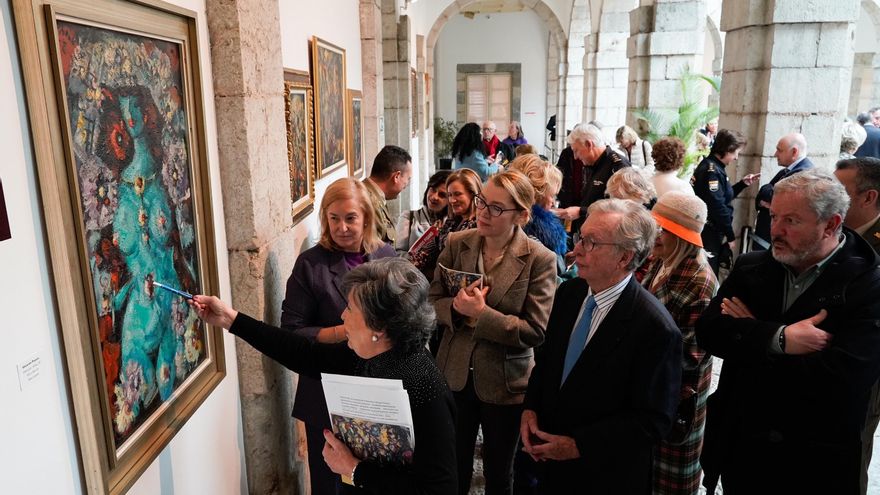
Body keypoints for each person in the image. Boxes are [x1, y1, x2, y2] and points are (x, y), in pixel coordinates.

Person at [193, 258, 457, 494]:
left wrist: (354, 469)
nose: (343, 316)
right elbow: (304, 354)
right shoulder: (366, 354)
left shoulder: (424, 387)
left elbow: (440, 487)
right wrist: (231, 319)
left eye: (351, 310)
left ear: (378, 327)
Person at [695, 170, 880, 494]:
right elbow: (709, 332)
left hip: (813, 461)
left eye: (792, 221)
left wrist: (748, 333)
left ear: (832, 225)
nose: (775, 229)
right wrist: (777, 339)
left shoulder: (869, 285)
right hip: (742, 449)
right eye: (774, 215)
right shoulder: (752, 266)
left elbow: (841, 382)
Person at [521, 199, 682, 494]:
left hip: (606, 474)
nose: (577, 248)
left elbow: (652, 420)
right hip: (550, 466)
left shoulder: (655, 328)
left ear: (625, 257)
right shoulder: (569, 293)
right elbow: (546, 362)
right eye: (580, 236)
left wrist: (578, 446)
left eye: (591, 242)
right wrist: (530, 408)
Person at [429, 170, 557, 495]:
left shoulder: (539, 260)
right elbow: (431, 302)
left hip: (505, 383)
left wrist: (483, 315)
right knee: (451, 467)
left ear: (522, 215)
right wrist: (456, 310)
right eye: (482, 201)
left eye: (496, 208)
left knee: (499, 473)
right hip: (454, 374)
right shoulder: (458, 243)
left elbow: (535, 330)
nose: (483, 213)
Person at [280, 177, 397, 494]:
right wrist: (341, 332)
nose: (342, 227)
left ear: (366, 217)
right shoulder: (311, 264)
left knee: (377, 481)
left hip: (380, 392)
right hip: (325, 394)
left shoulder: (388, 258)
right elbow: (291, 331)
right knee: (329, 485)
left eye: (350, 218)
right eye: (334, 219)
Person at [641, 192, 719, 495]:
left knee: (671, 482)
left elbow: (691, 354)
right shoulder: (660, 260)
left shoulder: (699, 280)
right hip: (652, 388)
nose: (654, 235)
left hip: (677, 395)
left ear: (679, 236)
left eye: (662, 229)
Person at [835, 157, 880, 495]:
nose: (832, 198)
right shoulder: (837, 232)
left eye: (842, 192)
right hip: (825, 362)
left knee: (851, 451)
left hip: (865, 373)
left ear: (869, 197)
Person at [691, 128, 757, 274]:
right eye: (736, 153)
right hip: (709, 232)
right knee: (708, 271)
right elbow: (717, 206)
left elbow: (722, 196)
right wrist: (731, 235)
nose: (736, 158)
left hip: (711, 231)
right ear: (728, 150)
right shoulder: (712, 171)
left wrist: (742, 184)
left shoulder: (715, 167)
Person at [554, 123, 630, 234]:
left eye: (576, 150)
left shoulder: (618, 166)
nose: (575, 157)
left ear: (589, 144)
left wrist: (581, 211)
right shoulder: (591, 164)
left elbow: (621, 206)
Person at [410, 169, 482, 284]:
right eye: (449, 195)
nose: (452, 200)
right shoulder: (451, 221)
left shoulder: (479, 225)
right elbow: (431, 250)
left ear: (473, 193)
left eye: (458, 194)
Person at [751, 133, 814, 250]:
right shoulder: (786, 171)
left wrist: (768, 196)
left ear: (794, 152)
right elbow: (763, 194)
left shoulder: (803, 173)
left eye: (779, 150)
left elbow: (773, 197)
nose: (775, 154)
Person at [508, 154, 568, 274]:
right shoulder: (538, 231)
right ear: (538, 194)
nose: (553, 202)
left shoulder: (509, 217)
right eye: (552, 195)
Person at [363, 145, 413, 244]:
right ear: (397, 176)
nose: (406, 185)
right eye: (408, 179)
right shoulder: (370, 203)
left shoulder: (375, 196)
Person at [395, 170, 451, 253]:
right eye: (433, 190)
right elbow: (398, 252)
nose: (434, 197)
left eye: (442, 195)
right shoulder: (408, 217)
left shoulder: (452, 223)